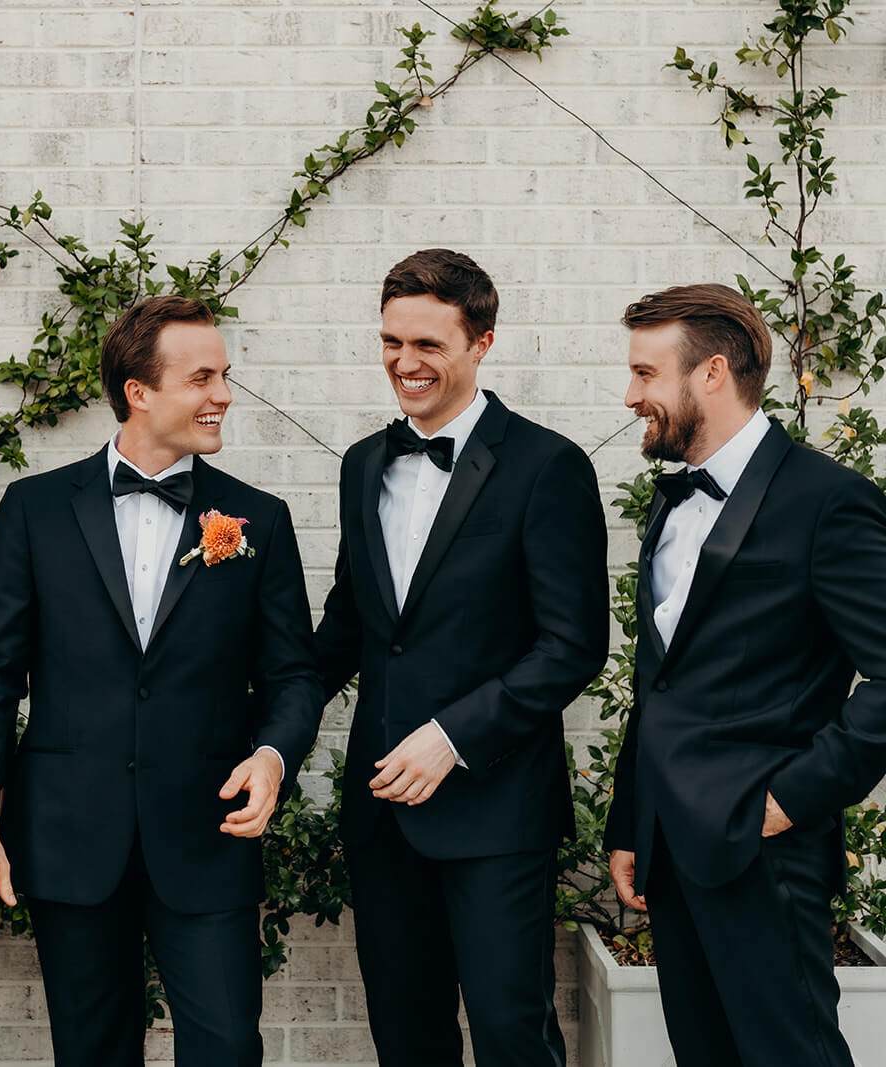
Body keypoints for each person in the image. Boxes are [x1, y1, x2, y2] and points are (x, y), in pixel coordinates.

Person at [0, 294, 322, 1067]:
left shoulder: (257, 518)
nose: (224, 394)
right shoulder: (34, 509)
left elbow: (293, 675)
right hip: (70, 835)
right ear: (138, 391)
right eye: (203, 377)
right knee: (91, 1051)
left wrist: (273, 755)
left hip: (208, 834)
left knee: (227, 1047)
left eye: (225, 375)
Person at [315, 249, 608, 1067]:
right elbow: (350, 627)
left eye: (428, 344)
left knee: (513, 1034)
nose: (404, 362)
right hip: (382, 815)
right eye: (391, 341)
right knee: (406, 1038)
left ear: (482, 342)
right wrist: (254, 711)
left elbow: (574, 644)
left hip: (496, 812)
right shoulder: (361, 464)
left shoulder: (548, 466)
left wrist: (453, 736)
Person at [605, 283, 886, 1067]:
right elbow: (662, 679)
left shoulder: (828, 501)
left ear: (712, 373)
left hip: (768, 854)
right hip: (672, 849)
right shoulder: (672, 502)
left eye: (645, 373)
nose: (629, 396)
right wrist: (630, 822)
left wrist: (787, 800)